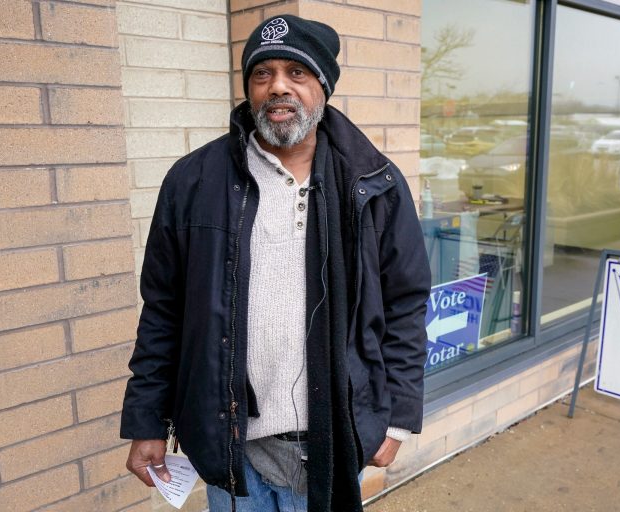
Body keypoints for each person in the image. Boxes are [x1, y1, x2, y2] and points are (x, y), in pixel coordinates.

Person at [120, 14, 430, 512]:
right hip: (232, 448)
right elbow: (163, 311)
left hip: (338, 437)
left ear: (323, 87)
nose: (278, 87)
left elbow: (405, 305)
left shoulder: (374, 184)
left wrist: (395, 421)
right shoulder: (192, 182)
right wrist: (147, 420)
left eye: (297, 73)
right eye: (262, 75)